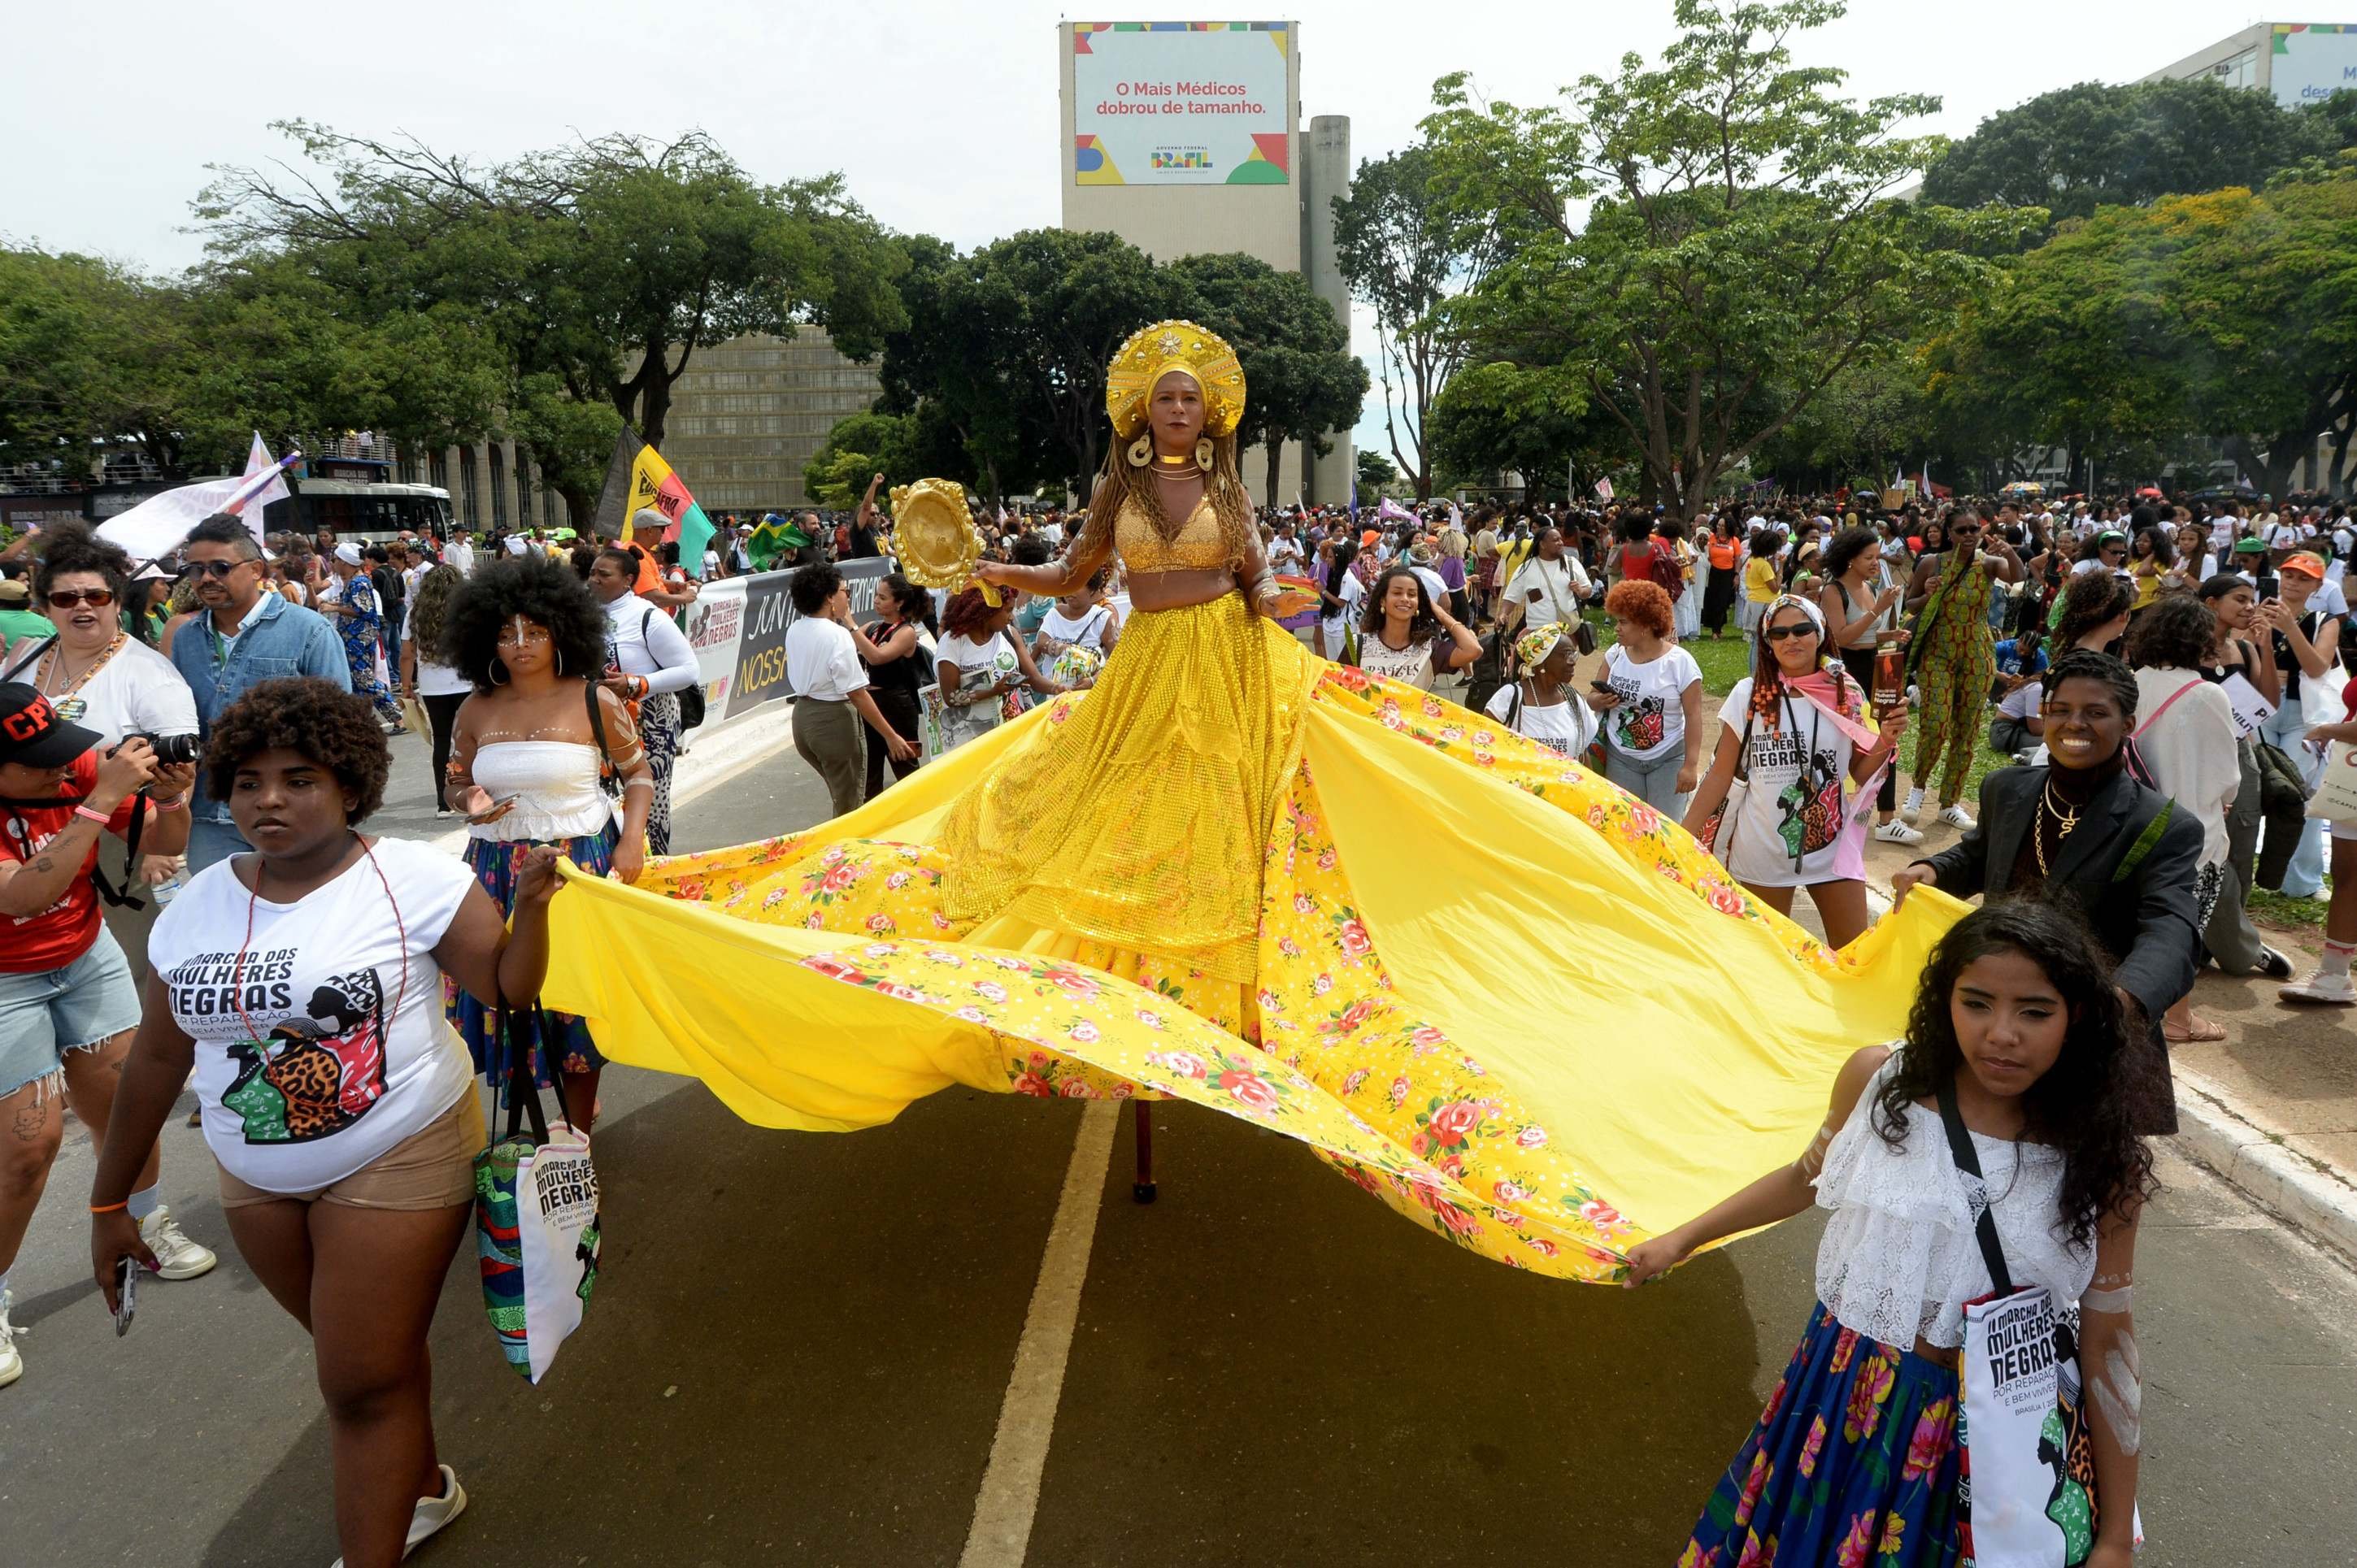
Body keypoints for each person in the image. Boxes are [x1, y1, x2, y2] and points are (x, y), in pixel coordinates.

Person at [533, 319, 1961, 1288]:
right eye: (1154, 391)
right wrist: (991, 577)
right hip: (1144, 675)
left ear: (1206, 409)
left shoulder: (1225, 484)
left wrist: (1325, 611)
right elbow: (1080, 587)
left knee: (1299, 840)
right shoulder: (1113, 486)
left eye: (1185, 393)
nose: (1172, 404)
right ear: (1130, 409)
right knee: (1057, 834)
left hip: (1240, 676)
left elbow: (1259, 588)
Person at [89, 677, 566, 1567]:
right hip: (254, 1176)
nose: (270, 800)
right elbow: (157, 1059)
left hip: (402, 1149)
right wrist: (105, 1203)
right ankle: (422, 1489)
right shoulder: (195, 903)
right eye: (250, 782)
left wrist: (531, 910)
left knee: (356, 1384)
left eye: (299, 778)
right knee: (369, 1364)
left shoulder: (415, 879)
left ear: (350, 784)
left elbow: (505, 990)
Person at [1635, 901, 2151, 1568]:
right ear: (1945, 1003)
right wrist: (1682, 1236)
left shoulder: (2100, 1157)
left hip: (1992, 1435)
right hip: (1841, 1391)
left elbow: (2108, 1337)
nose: (2001, 1033)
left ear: (2075, 1016)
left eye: (2034, 1010)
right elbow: (1802, 1177)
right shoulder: (1881, 1082)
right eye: (1976, 1003)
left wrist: (2113, 1537)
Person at [1891, 649, 2203, 1134]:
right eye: (2061, 710)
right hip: (2002, 1021)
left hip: (2092, 1031)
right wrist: (1932, 869)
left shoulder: (2162, 825)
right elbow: (1979, 855)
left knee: (2093, 1187)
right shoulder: (2007, 789)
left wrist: (2122, 999)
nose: (2075, 723)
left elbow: (2171, 928)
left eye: (2096, 713)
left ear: (2128, 724)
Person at [0, 684, 207, 1391]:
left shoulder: (75, 766)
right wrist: (96, 803)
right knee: (28, 1146)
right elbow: (23, 897)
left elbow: (165, 844)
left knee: (126, 1101)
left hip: (84, 956)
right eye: (38, 763)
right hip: (5, 978)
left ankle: (146, 1225)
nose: (63, 769)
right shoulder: (85, 789)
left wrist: (173, 795)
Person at [441, 554, 652, 1132]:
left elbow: (638, 773)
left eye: (534, 630)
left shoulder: (595, 700)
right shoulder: (475, 707)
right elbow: (456, 779)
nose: (520, 643)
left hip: (575, 870)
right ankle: (530, 1124)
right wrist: (471, 802)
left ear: (562, 630)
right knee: (507, 999)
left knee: (574, 1003)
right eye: (506, 633)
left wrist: (631, 840)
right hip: (495, 873)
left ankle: (577, 1131)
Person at [1684, 596, 1907, 949]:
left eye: (1802, 630)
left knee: (1854, 955)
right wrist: (1683, 836)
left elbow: (1862, 775)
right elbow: (1720, 775)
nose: (1791, 640)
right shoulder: (1751, 694)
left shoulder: (1845, 693)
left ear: (1819, 634)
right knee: (1768, 964)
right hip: (1761, 852)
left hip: (1832, 849)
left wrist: (1885, 739)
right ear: (1768, 643)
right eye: (1779, 633)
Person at [166, 515, 352, 874]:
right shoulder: (186, 639)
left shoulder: (307, 631)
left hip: (291, 812)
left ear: (255, 569)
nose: (206, 579)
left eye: (220, 567)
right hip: (210, 816)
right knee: (225, 920)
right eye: (196, 569)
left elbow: (340, 728)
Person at [2123, 597, 2242, 1044]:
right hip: (2190, 831)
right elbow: (2227, 776)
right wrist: (2225, 800)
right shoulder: (2209, 694)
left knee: (2137, 923)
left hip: (2133, 825)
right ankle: (2178, 1018)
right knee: (2180, 929)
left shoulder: (2132, 682)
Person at [2194, 573, 2295, 982]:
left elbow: (2267, 704)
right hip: (2197, 756)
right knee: (2200, 847)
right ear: (2211, 602)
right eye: (2240, 599)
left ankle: (2232, 937)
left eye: (2252, 599)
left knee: (2239, 846)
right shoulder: (2184, 649)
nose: (2249, 607)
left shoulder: (2246, 649)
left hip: (2241, 755)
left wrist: (2266, 647)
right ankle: (2205, 940)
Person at [1901, 508, 2022, 828]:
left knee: (1966, 730)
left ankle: (1950, 802)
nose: (1969, 535)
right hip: (1938, 652)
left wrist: (2009, 552)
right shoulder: (1932, 563)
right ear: (1949, 533)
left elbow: (2018, 578)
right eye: (1961, 530)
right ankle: (1917, 788)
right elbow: (1909, 605)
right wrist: (1927, 593)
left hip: (1977, 654)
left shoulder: (1988, 564)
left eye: (1974, 529)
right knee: (1935, 724)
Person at [587, 546, 700, 855]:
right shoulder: (583, 615)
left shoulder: (648, 617)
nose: (594, 579)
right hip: (594, 722)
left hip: (649, 721)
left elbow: (690, 670)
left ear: (628, 581)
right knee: (598, 803)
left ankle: (653, 873)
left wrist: (637, 683)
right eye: (592, 573)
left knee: (648, 803)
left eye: (604, 574)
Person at [783, 562, 920, 814]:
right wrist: (891, 735)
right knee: (851, 804)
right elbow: (856, 692)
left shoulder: (796, 628)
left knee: (845, 794)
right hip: (832, 721)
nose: (848, 597)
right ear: (830, 597)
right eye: (845, 591)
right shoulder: (836, 635)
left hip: (803, 720)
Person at [1818, 524, 1917, 845]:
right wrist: (1879, 609)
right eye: (1869, 558)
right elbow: (1840, 637)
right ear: (1850, 560)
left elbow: (1866, 635)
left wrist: (1890, 636)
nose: (1876, 563)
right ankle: (1837, 806)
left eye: (1877, 557)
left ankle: (1887, 818)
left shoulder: (1872, 589)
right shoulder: (1834, 591)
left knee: (1887, 736)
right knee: (1849, 742)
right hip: (1846, 672)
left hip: (1875, 667)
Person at [2254, 552, 2342, 897]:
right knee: (2254, 788)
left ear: (2318, 585)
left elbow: (2318, 667)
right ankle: (2256, 872)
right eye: (2289, 575)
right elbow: (2245, 654)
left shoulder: (2325, 620)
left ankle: (2303, 880)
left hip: (2303, 713)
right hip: (2261, 708)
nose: (2293, 583)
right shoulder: (2260, 611)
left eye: (2303, 578)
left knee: (2299, 792)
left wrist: (2290, 627)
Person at [1588, 580, 1703, 812]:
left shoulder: (1680, 663)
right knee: (1626, 828)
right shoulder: (1615, 654)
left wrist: (1690, 766)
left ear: (1646, 625)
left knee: (1666, 830)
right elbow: (1591, 698)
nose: (1616, 628)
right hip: (1620, 758)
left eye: (1623, 622)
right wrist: (1598, 701)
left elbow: (1694, 716)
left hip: (1668, 759)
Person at [2280, 672, 2357, 1004]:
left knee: (2349, 877)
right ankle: (2334, 972)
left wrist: (2327, 730)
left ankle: (2335, 972)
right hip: (2350, 781)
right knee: (2347, 876)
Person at [933, 584, 1061, 756]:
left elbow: (1034, 678)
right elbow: (950, 696)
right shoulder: (953, 642)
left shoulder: (1010, 634)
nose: (1011, 617)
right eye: (1008, 610)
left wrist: (1058, 689)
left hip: (1012, 736)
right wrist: (993, 691)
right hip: (974, 745)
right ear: (987, 609)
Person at [400, 565, 470, 818]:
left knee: (441, 741)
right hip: (467, 683)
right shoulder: (465, 610)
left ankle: (443, 802)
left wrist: (407, 687)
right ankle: (474, 792)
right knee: (471, 739)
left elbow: (407, 655)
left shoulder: (414, 614)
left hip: (432, 687)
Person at [859, 573, 933, 800]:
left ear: (899, 602)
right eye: (875, 596)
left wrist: (851, 627)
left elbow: (878, 657)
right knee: (869, 774)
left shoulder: (906, 632)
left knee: (905, 769)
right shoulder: (872, 628)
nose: (876, 601)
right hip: (870, 705)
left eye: (883, 597)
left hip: (897, 706)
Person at [1349, 566, 1478, 694]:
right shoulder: (1357, 645)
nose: (1405, 599)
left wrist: (1440, 613)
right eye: (1397, 593)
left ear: (1418, 603)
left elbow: (1473, 650)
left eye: (1412, 595)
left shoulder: (1429, 650)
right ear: (1383, 601)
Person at [1483, 622, 1598, 756]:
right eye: (1567, 655)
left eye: (1573, 654)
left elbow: (1582, 754)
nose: (1573, 662)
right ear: (1541, 660)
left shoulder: (1573, 700)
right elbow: (1482, 742)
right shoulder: (1510, 697)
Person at [324, 543, 404, 733]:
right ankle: (361, 721)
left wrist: (334, 608)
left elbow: (363, 610)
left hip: (358, 638)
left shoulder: (358, 582)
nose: (333, 564)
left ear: (344, 562)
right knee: (355, 681)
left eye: (335, 560)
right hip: (354, 637)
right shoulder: (354, 581)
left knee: (364, 679)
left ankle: (397, 717)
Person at [1497, 524, 1592, 636]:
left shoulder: (1572, 563)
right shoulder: (1526, 568)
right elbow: (1511, 597)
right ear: (1542, 544)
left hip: (1567, 632)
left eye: (1561, 539)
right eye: (1555, 540)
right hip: (1538, 634)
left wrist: (1580, 591)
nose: (1561, 543)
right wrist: (1503, 614)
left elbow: (1588, 590)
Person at [1031, 569, 1123, 679]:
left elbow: (1119, 659)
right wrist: (1066, 650)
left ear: (1092, 589)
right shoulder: (1054, 614)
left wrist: (1093, 680)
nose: (1070, 590)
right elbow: (1042, 642)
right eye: (1067, 584)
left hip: (1090, 693)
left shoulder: (1104, 618)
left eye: (1077, 585)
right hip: (1056, 693)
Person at [1314, 540, 1364, 660]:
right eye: (1327, 556)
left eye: (1330, 557)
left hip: (1342, 629)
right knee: (1332, 662)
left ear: (1339, 559)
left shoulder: (1347, 578)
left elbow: (1341, 603)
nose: (1327, 559)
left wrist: (1323, 591)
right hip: (1330, 626)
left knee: (1343, 663)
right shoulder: (1335, 574)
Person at [1701, 517, 1741, 639]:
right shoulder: (1712, 538)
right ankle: (1714, 629)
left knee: (1723, 601)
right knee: (1712, 600)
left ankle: (1717, 629)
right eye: (1718, 525)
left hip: (1727, 574)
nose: (1720, 528)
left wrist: (1736, 575)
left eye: (1722, 526)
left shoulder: (1734, 541)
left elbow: (1737, 559)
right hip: (1713, 572)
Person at [1738, 527, 1783, 633]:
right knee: (1761, 637)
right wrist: (1781, 567)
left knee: (1756, 638)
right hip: (1764, 602)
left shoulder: (1753, 560)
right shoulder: (1763, 565)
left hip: (1754, 599)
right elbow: (1775, 589)